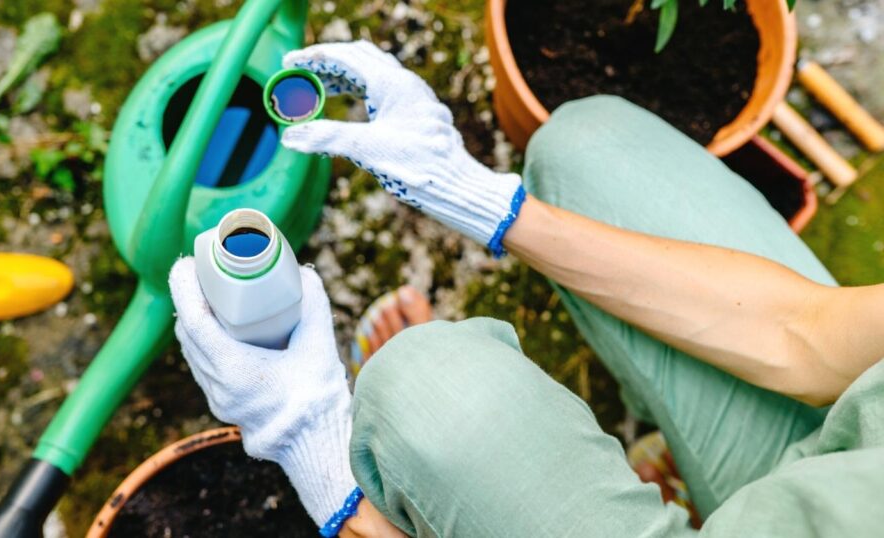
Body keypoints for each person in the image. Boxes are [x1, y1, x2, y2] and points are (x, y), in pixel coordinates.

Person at [168, 41, 884, 537]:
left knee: (427, 391)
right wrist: (475, 195)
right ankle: (675, 450)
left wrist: (317, 460)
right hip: (841, 461)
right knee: (590, 149)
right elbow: (809, 336)